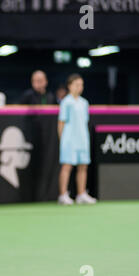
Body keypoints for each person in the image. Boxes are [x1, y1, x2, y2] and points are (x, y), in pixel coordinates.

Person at [58, 74, 96, 205]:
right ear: (70, 86)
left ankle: (81, 194)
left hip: (82, 139)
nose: (79, 87)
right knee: (67, 167)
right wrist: (62, 140)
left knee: (83, 167)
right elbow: (61, 123)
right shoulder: (66, 102)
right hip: (69, 140)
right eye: (77, 84)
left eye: (81, 85)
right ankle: (63, 195)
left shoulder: (84, 103)